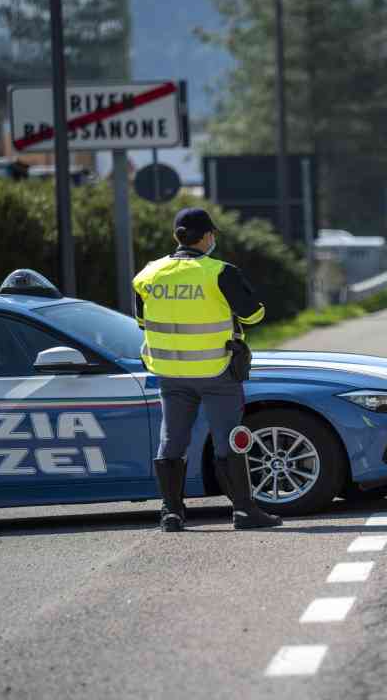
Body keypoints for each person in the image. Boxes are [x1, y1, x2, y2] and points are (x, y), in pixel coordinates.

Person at [133, 207, 282, 532]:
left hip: (170, 372)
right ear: (207, 236)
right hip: (216, 371)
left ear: (177, 236)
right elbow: (254, 315)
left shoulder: (149, 274)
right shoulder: (219, 272)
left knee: (172, 441)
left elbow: (142, 321)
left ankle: (171, 514)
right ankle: (244, 511)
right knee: (229, 439)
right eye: (212, 234)